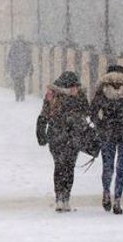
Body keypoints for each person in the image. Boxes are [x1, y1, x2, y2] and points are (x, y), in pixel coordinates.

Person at [89, 64, 123, 215]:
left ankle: (106, 191)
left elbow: (92, 111)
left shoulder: (102, 89)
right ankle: (117, 200)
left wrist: (100, 124)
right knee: (121, 167)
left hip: (107, 132)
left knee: (108, 166)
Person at [36, 71, 91, 212]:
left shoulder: (52, 93)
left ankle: (59, 197)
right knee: (69, 167)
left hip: (56, 135)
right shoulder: (79, 94)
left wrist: (41, 135)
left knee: (59, 166)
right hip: (73, 135)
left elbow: (44, 114)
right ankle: (66, 197)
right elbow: (86, 112)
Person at [6, 37, 34, 101]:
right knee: (22, 82)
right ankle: (22, 95)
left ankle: (17, 95)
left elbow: (9, 59)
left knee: (16, 83)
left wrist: (9, 67)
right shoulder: (26, 47)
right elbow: (29, 59)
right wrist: (30, 67)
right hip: (22, 69)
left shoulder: (13, 48)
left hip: (15, 69)